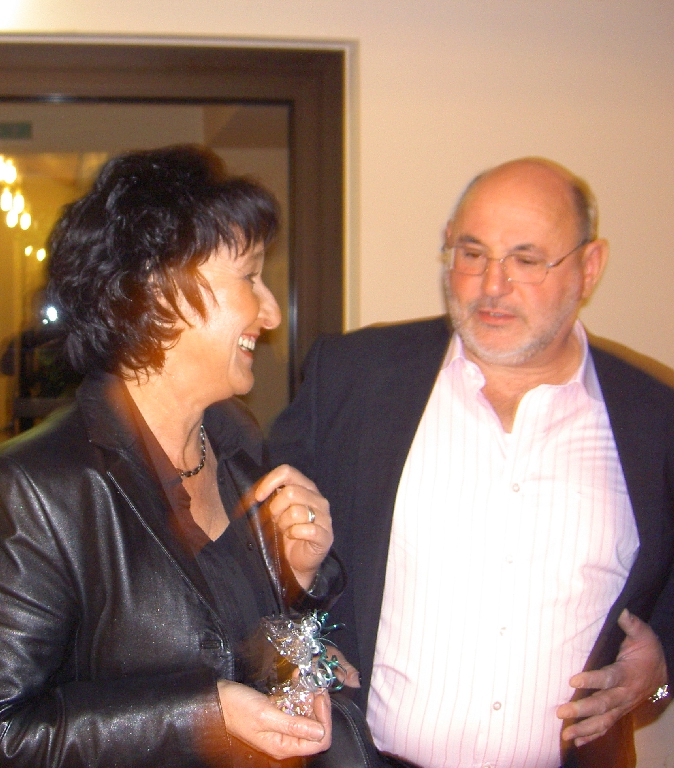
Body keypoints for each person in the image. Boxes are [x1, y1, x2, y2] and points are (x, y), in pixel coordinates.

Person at [0, 146, 356, 767]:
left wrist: (297, 585)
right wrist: (200, 715)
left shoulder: (239, 447)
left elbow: (236, 637)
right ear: (160, 290)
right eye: (249, 277)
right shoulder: (37, 489)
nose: (269, 312)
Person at [269, 157, 673, 768]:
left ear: (589, 267)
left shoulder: (656, 416)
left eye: (526, 260)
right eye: (472, 252)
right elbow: (256, 552)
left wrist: (661, 674)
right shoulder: (354, 377)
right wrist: (304, 656)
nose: (492, 285)